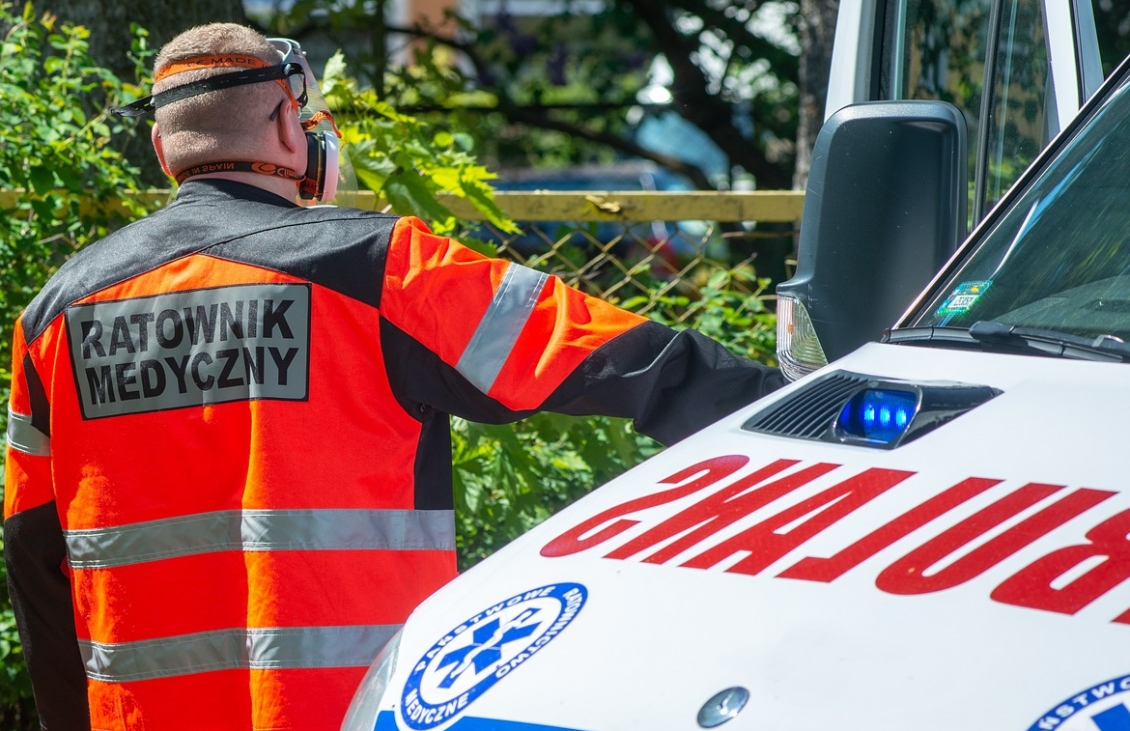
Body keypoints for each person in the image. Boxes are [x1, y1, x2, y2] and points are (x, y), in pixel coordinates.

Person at [2, 23, 785, 731]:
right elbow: (628, 359)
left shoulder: (53, 316)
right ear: (287, 124)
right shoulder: (377, 266)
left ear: (164, 149)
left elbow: (32, 551)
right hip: (355, 710)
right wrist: (817, 416)